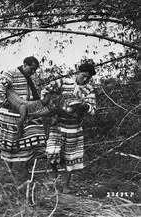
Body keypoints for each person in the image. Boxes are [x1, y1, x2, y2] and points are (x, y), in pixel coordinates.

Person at [42, 62, 97, 193]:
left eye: (87, 78)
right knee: (51, 151)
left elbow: (93, 110)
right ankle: (54, 173)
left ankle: (66, 185)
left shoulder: (89, 90)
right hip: (58, 123)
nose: (84, 80)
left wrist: (83, 106)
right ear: (78, 73)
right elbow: (45, 90)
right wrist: (49, 104)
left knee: (71, 156)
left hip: (74, 127)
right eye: (83, 76)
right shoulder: (64, 82)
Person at [0, 56, 47, 175]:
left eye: (35, 70)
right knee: (9, 143)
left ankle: (25, 169)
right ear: (25, 64)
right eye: (31, 69)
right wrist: (5, 102)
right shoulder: (11, 73)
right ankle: (9, 171)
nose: (33, 72)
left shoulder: (28, 78)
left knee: (29, 142)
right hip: (10, 115)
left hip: (26, 114)